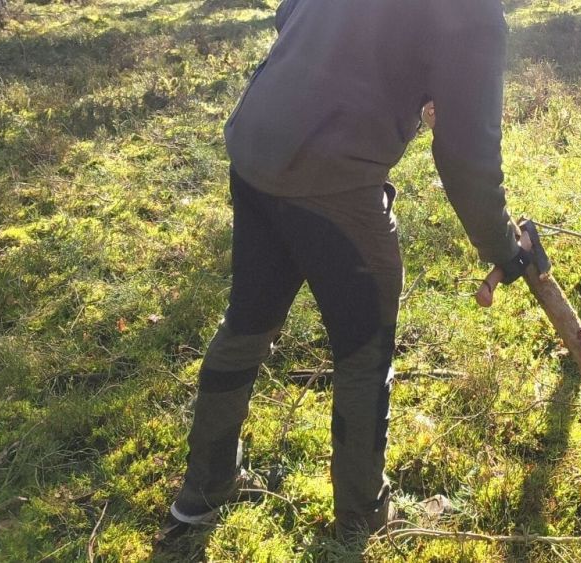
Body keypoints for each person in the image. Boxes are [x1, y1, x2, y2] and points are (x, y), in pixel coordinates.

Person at [158, 0, 532, 544]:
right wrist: (505, 247)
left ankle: (203, 492)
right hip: (333, 178)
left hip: (258, 143)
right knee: (364, 350)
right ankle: (360, 517)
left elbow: (288, 15)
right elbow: (466, 152)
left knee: (246, 324)